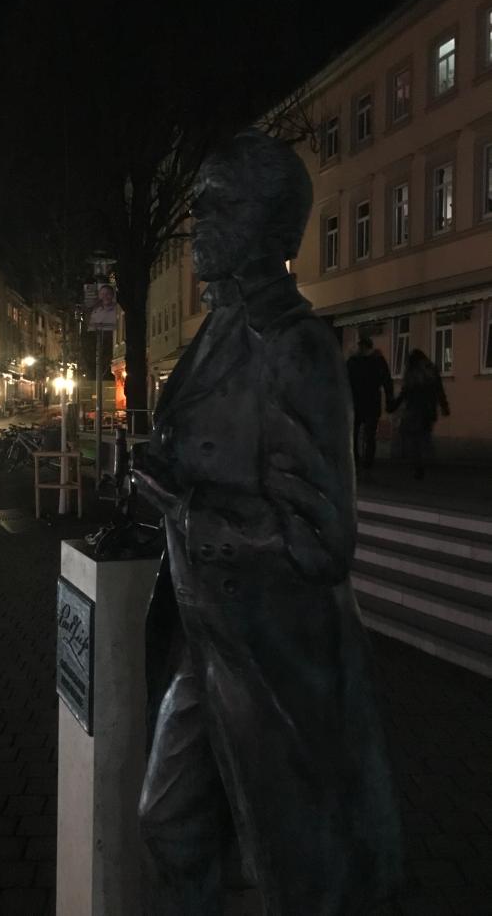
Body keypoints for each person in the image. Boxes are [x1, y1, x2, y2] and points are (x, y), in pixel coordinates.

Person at [131, 130, 401, 915]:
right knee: (168, 821)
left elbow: (322, 538)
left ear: (266, 224)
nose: (198, 221)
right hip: (206, 636)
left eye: (218, 203)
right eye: (198, 203)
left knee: (298, 869)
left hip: (277, 657)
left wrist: (187, 507)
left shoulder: (299, 346)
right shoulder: (214, 329)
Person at [392, 348, 450, 479]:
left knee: (413, 438)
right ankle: (426, 459)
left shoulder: (412, 373)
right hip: (428, 410)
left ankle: (419, 465)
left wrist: (394, 405)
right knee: (424, 436)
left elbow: (405, 392)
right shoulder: (431, 370)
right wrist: (444, 406)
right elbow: (439, 390)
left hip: (414, 410)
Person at [345, 336, 393, 472]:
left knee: (358, 434)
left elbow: (344, 381)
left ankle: (358, 461)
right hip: (370, 402)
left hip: (358, 403)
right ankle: (366, 462)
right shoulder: (377, 361)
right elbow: (387, 381)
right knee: (368, 434)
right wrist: (389, 400)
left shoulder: (353, 361)